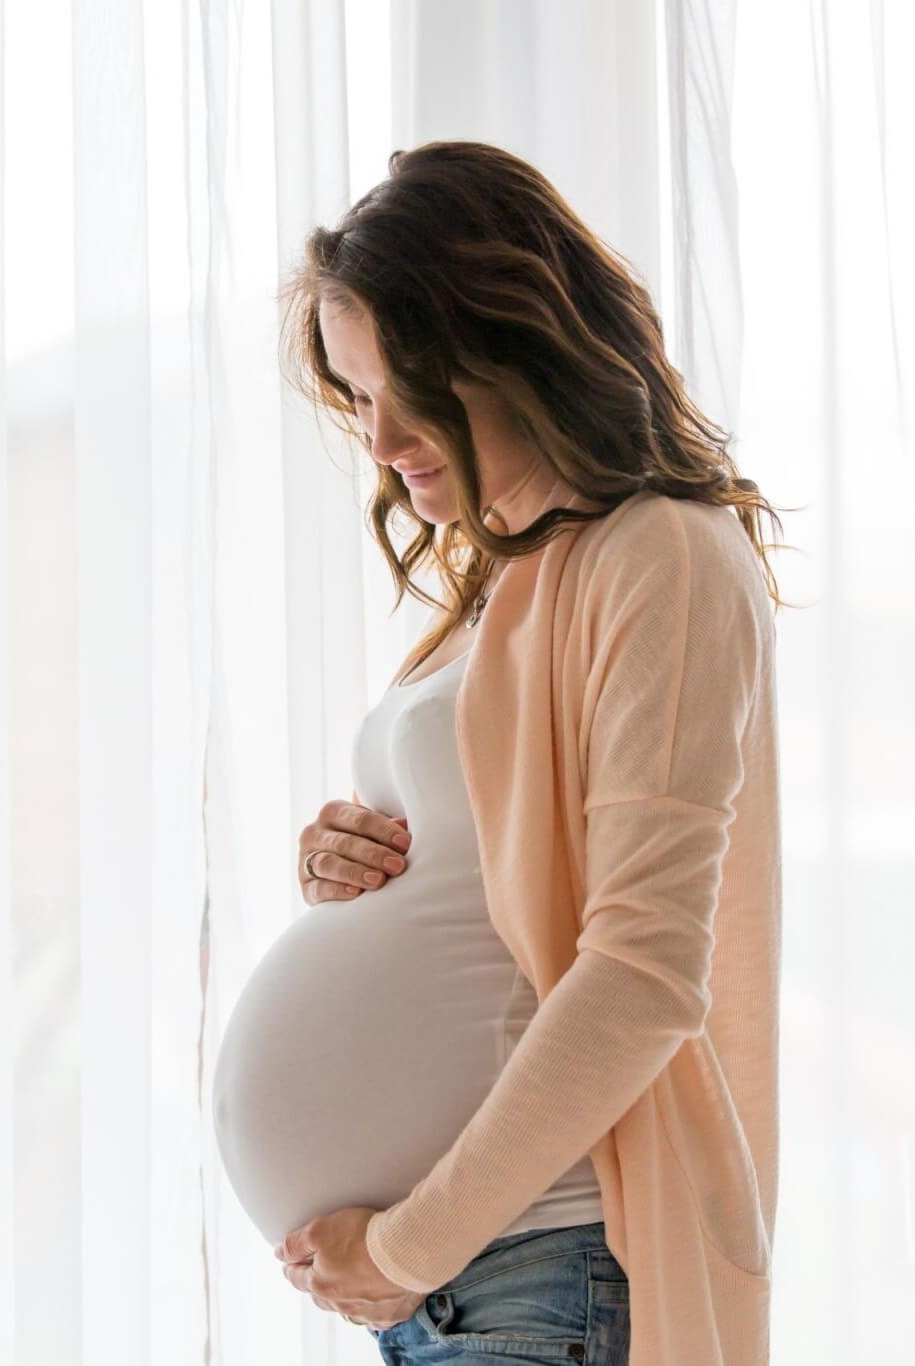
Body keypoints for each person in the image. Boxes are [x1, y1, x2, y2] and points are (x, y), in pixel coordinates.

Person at [270, 141, 796, 1365]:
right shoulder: (502, 585)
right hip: (476, 1279)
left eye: (408, 379)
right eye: (354, 392)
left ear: (514, 343)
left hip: (540, 1257)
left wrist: (406, 1248)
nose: (380, 434)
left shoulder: (659, 551)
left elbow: (641, 971)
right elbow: (492, 895)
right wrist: (340, 876)